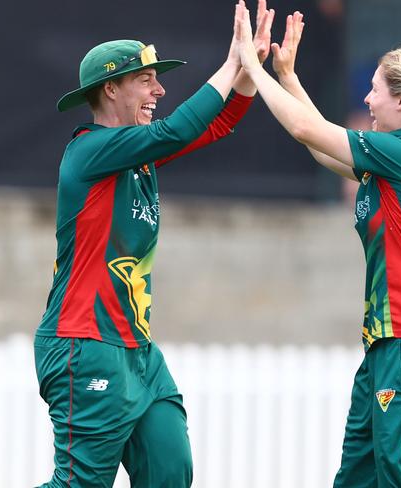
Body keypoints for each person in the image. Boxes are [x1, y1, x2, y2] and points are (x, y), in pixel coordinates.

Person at [33, 2, 274, 487]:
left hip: (138, 351)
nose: (159, 90)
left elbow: (217, 124)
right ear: (111, 88)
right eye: (146, 81)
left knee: (170, 471)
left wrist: (250, 67)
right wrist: (231, 62)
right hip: (85, 344)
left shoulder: (138, 156)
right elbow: (179, 128)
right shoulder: (90, 150)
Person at [236, 6, 401, 488]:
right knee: (356, 481)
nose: (366, 98)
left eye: (376, 89)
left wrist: (253, 68)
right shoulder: (394, 159)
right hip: (388, 347)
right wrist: (289, 77)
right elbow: (322, 145)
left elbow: (307, 130)